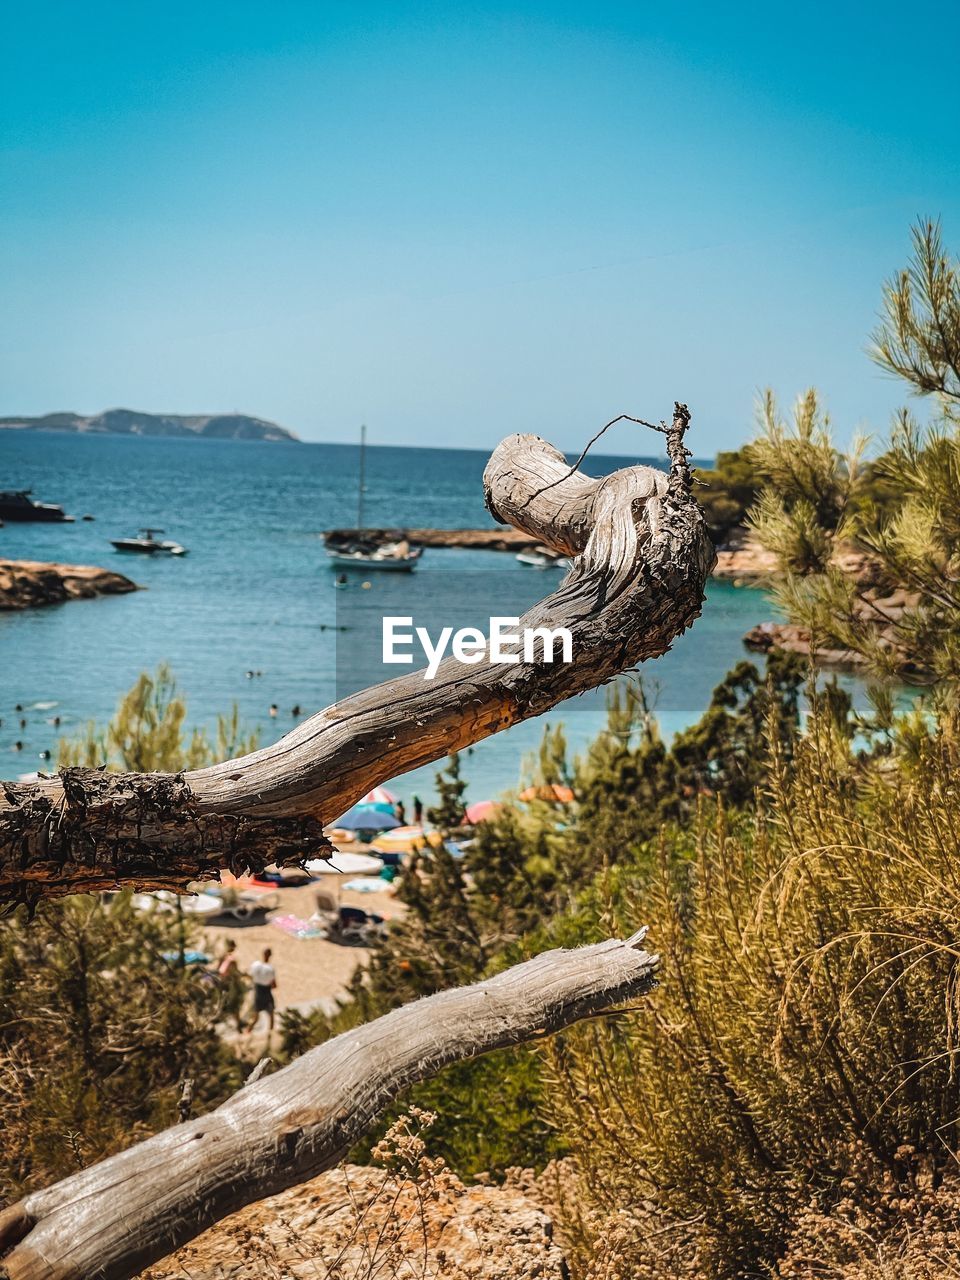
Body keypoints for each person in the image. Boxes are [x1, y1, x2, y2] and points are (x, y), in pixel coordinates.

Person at [245, 947, 277, 1035]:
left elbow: (249, 976)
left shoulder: (256, 965)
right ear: (270, 956)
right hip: (266, 992)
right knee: (271, 1015)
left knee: (255, 1018)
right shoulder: (270, 969)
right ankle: (270, 1034)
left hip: (258, 992)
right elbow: (274, 985)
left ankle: (247, 1032)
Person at [216, 940, 245, 1031]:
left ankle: (237, 1022)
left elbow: (218, 970)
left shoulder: (222, 957)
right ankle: (238, 1024)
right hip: (230, 984)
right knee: (234, 1004)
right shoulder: (232, 960)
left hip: (221, 983)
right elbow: (236, 973)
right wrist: (244, 975)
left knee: (222, 1003)